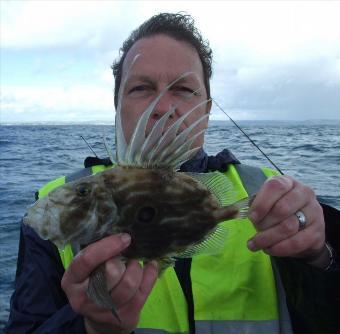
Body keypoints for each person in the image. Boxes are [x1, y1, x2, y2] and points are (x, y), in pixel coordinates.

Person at [6, 13, 340, 334]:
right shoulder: (55, 212)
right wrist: (91, 328)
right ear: (117, 104)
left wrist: (319, 257)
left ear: (207, 110)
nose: (163, 108)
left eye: (184, 90)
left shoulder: (274, 195)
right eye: (141, 89)